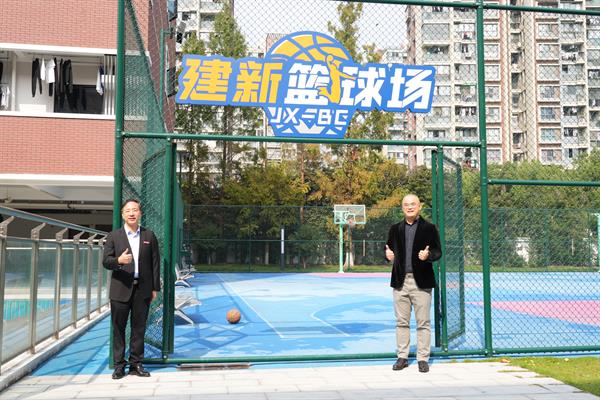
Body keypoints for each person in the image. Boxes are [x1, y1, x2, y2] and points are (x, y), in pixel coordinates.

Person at [103, 199, 161, 379]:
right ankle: (119, 365)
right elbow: (106, 261)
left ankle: (136, 363)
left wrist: (154, 288)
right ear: (122, 215)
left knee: (139, 327)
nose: (131, 213)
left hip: (143, 289)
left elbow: (155, 262)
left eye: (135, 210)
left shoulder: (149, 235)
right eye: (128, 210)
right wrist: (119, 261)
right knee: (118, 328)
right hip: (120, 289)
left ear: (140, 213)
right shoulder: (114, 236)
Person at [385, 194, 441, 373]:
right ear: (402, 208)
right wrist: (387, 255)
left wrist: (428, 255)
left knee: (423, 322)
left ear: (419, 206)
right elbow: (388, 249)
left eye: (413, 204)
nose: (409, 207)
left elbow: (438, 252)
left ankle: (423, 359)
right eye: (406, 205)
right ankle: (402, 357)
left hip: (421, 282)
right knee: (401, 322)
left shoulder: (429, 228)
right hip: (400, 281)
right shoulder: (395, 229)